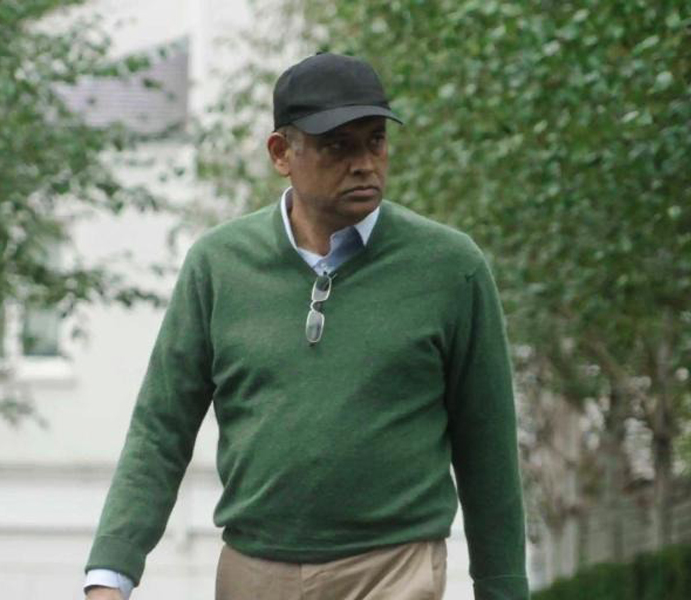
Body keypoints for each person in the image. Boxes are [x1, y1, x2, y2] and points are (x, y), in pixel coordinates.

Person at [83, 52, 529, 600]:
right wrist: (111, 572)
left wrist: (503, 588)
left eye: (375, 141)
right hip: (253, 571)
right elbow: (160, 429)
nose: (364, 162)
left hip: (393, 569)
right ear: (281, 153)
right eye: (337, 145)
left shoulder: (450, 268)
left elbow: (488, 447)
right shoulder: (219, 265)